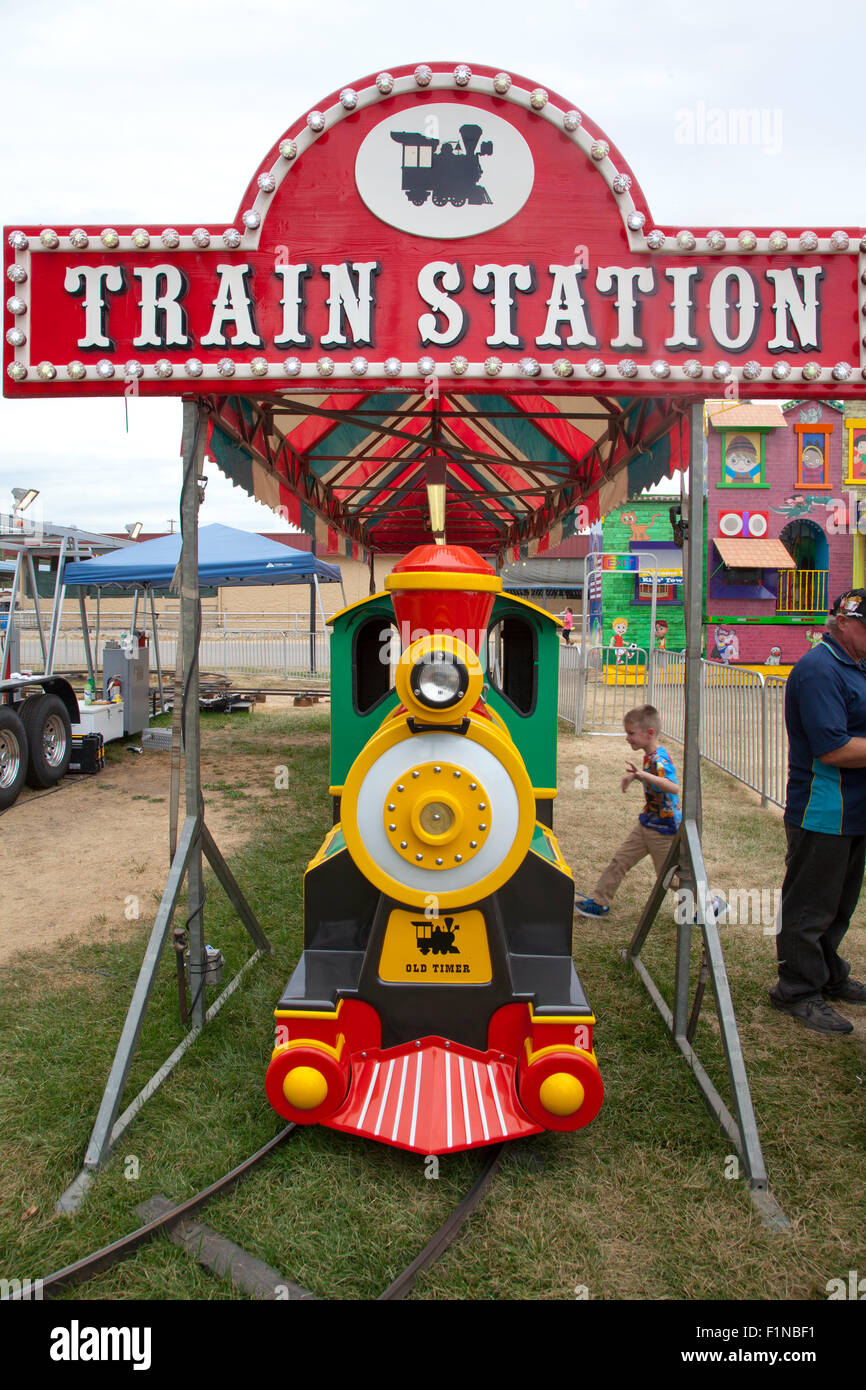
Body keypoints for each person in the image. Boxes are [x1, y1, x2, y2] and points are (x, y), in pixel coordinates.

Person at [770, 589, 866, 1034]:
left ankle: (827, 976)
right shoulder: (819, 669)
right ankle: (796, 989)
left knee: (839, 905)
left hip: (853, 811)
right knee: (810, 906)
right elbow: (834, 749)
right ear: (844, 623)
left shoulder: (855, 664)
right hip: (822, 809)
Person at [575, 704, 680, 918]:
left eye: (631, 733)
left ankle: (710, 903)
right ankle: (600, 902)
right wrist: (635, 776)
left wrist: (642, 775)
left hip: (664, 831)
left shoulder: (659, 759)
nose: (627, 738)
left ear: (650, 733)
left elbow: (673, 786)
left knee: (671, 879)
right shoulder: (650, 757)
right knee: (620, 861)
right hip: (646, 824)